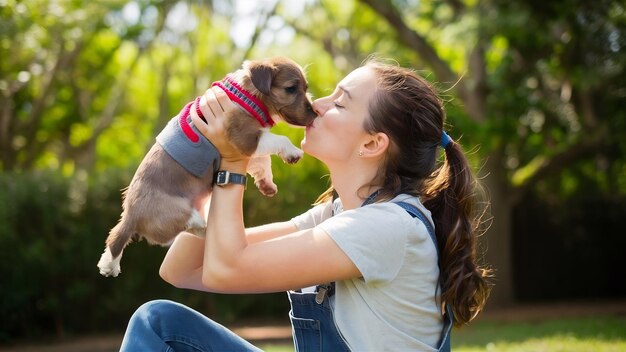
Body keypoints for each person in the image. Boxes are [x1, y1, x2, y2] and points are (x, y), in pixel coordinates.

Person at [120, 59, 492, 351]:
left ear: (372, 144)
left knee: (157, 323)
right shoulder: (339, 214)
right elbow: (182, 268)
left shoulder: (386, 228)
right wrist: (211, 154)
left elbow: (223, 270)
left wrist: (233, 162)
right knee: (159, 323)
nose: (317, 105)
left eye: (339, 102)